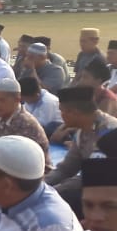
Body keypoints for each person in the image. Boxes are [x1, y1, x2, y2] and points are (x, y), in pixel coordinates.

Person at [46, 86, 117, 217]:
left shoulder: (109, 131)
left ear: (74, 112)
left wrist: (53, 192)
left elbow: (91, 177)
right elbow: (66, 169)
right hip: (95, 185)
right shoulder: (82, 132)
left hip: (108, 190)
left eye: (62, 111)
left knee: (64, 198)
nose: (61, 116)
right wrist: (41, 185)